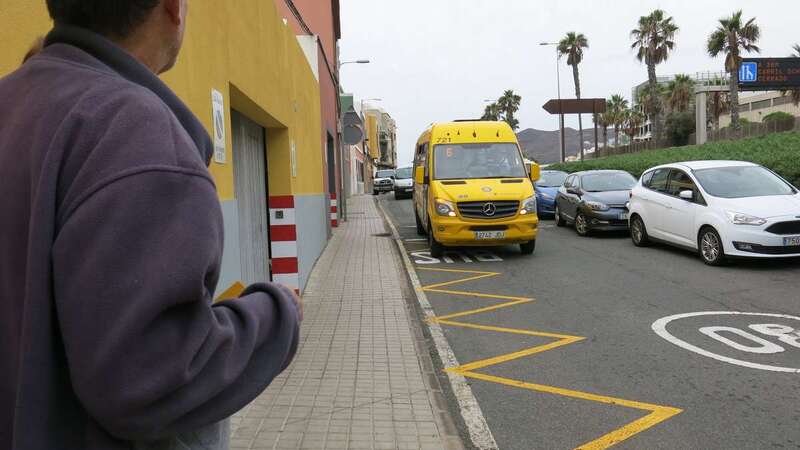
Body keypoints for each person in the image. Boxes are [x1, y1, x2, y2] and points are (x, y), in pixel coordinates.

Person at [0, 1, 302, 449]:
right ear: (173, 8)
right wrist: (280, 316)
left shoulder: (15, 102)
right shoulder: (137, 134)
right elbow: (148, 379)